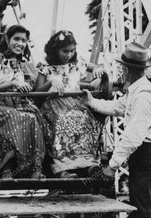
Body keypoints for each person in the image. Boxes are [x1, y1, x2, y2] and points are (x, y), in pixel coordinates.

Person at [85, 42, 151, 218]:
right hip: (143, 158)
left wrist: (113, 165)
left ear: (127, 69)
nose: (120, 72)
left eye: (122, 68)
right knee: (140, 213)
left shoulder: (143, 96)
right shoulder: (135, 92)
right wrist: (93, 102)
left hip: (147, 157)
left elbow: (133, 136)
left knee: (145, 215)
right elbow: (117, 108)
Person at [34, 30, 105, 178]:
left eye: (72, 51)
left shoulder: (78, 63)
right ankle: (61, 168)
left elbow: (98, 67)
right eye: (65, 51)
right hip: (53, 104)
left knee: (87, 120)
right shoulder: (45, 67)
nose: (69, 55)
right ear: (55, 50)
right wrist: (50, 82)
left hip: (75, 103)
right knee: (62, 122)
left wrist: (98, 70)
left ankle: (88, 164)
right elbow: (37, 94)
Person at [0, 25, 47, 179]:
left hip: (19, 103)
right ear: (7, 39)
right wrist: (13, 83)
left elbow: (34, 89)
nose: (20, 43)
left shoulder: (24, 63)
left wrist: (39, 77)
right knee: (18, 118)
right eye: (16, 39)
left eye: (24, 40)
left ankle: (35, 170)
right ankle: (6, 168)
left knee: (36, 119)